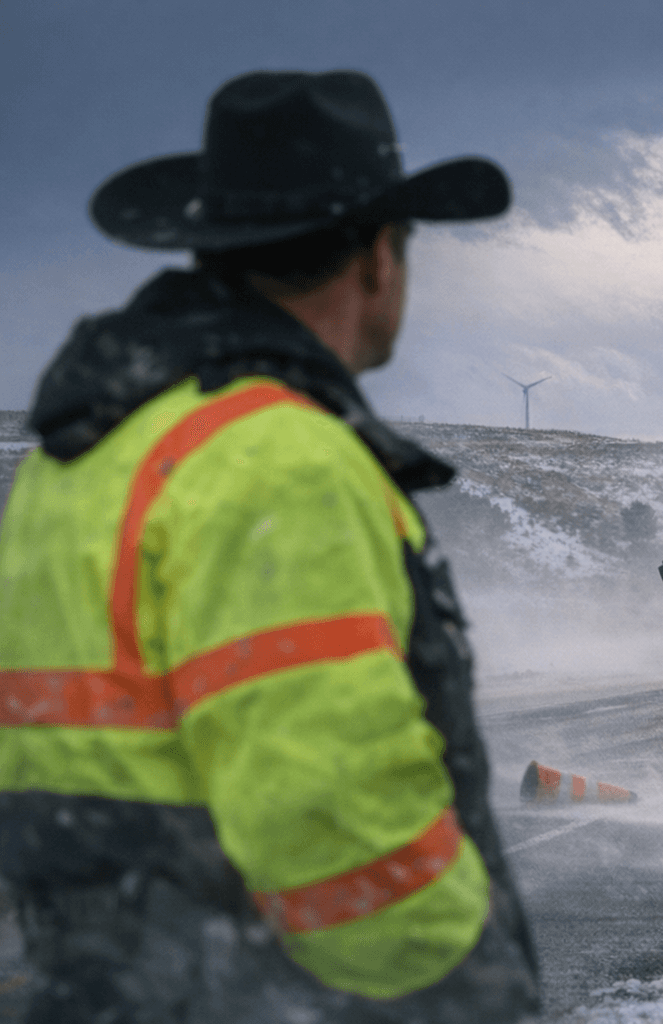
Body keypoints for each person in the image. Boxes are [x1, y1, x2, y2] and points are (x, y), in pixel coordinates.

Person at [0, 71, 539, 1022]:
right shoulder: (277, 457)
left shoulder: (79, 457)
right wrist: (473, 986)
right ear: (378, 257)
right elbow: (331, 815)